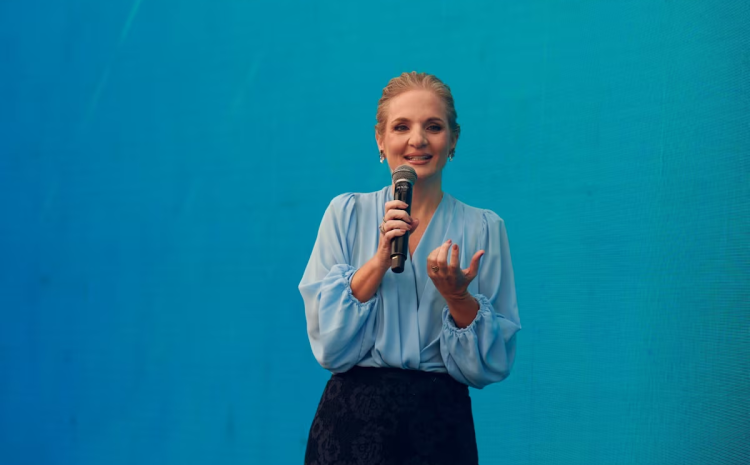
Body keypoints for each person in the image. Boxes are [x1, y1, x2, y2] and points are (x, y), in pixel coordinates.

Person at [298, 71, 521, 465]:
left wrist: (457, 297)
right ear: (380, 140)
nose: (417, 140)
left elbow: (492, 365)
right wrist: (379, 260)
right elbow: (329, 348)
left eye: (433, 126)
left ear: (453, 139)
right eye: (401, 127)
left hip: (440, 428)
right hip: (352, 427)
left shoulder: (485, 228)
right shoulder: (346, 214)